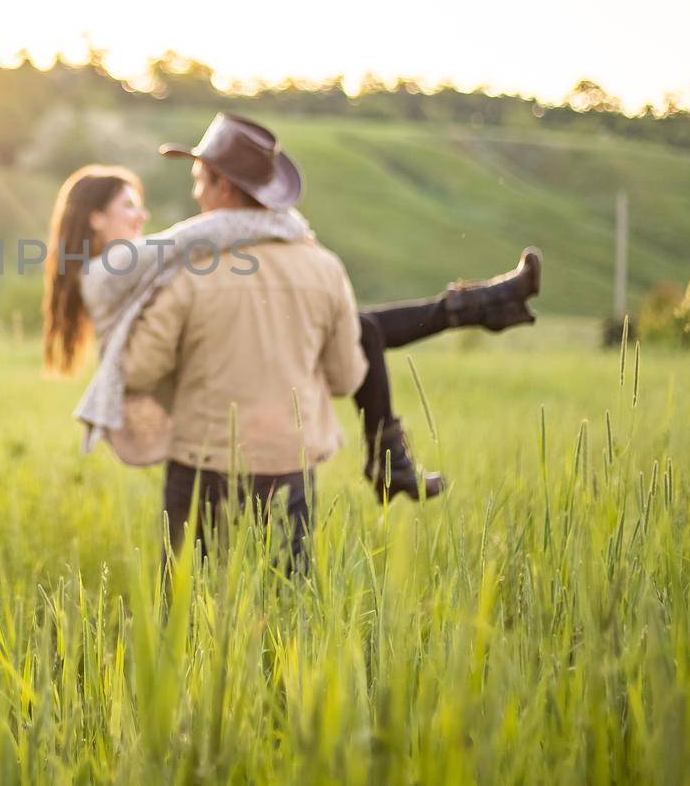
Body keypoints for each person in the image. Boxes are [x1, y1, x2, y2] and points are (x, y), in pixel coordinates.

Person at [42, 113, 540, 558]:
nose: (193, 194)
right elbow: (347, 377)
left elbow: (142, 367)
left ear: (221, 187)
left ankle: (468, 316)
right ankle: (464, 323)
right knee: (285, 618)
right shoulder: (318, 262)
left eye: (199, 179)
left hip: (203, 463)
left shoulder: (184, 272)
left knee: (193, 621)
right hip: (289, 465)